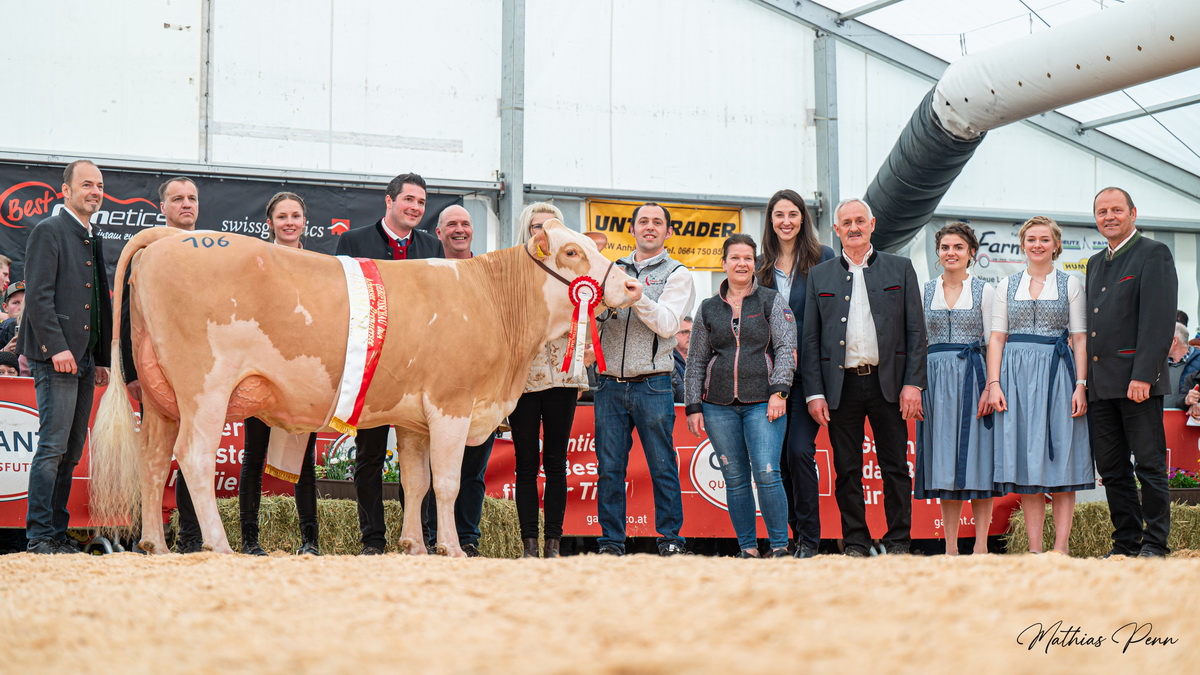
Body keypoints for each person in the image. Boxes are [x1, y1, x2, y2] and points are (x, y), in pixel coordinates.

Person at [802, 198, 926, 558]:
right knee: (847, 470)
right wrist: (814, 394)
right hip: (841, 388)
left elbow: (916, 331)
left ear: (872, 224)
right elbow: (810, 339)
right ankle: (855, 542)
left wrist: (913, 384)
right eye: (846, 222)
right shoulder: (819, 276)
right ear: (836, 230)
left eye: (860, 220)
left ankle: (899, 541)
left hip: (889, 384)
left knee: (895, 468)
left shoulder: (901, 269)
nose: (854, 227)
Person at [335, 172, 443, 555]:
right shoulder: (353, 241)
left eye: (421, 203)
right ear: (389, 201)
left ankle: (420, 535)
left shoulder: (433, 246)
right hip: (372, 368)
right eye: (408, 200)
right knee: (369, 455)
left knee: (419, 455)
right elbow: (343, 304)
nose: (415, 208)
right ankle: (373, 541)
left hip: (419, 373)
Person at [20, 160, 112, 554]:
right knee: (53, 447)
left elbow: (99, 302)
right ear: (66, 191)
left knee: (71, 451)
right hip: (56, 356)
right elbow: (38, 297)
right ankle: (40, 535)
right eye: (86, 184)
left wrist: (103, 356)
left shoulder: (92, 236)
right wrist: (56, 347)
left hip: (86, 359)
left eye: (100, 185)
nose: (94, 191)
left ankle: (57, 533)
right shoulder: (49, 230)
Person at [685, 234, 796, 558]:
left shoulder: (771, 301)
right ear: (723, 263)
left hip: (764, 402)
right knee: (734, 476)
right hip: (717, 406)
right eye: (735, 257)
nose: (742, 264)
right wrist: (694, 405)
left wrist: (780, 391)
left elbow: (787, 349)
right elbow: (695, 361)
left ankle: (779, 547)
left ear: (756, 264)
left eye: (748, 258)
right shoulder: (707, 308)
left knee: (766, 472)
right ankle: (747, 549)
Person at [987, 216, 1092, 555]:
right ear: (1023, 244)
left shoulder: (1070, 284)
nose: (1037, 244)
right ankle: (1034, 551)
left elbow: (1079, 338)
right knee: (1027, 465)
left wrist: (1080, 385)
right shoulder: (1006, 285)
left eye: (1044, 239)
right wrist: (994, 383)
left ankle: (1060, 549)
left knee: (1061, 461)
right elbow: (997, 339)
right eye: (1031, 239)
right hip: (1015, 380)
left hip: (1056, 377)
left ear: (1056, 245)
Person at [594, 202, 693, 556]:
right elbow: (594, 317)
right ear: (632, 229)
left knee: (662, 467)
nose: (649, 227)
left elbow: (668, 323)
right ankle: (610, 543)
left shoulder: (679, 273)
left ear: (668, 232)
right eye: (642, 222)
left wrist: (636, 298)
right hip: (607, 383)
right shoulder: (611, 269)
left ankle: (669, 540)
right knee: (609, 470)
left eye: (657, 222)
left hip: (653, 383)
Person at [1086, 187, 1177, 558]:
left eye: (1116, 210)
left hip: (1137, 383)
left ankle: (1155, 544)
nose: (1109, 216)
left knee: (1150, 466)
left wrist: (1144, 375)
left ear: (1133, 213)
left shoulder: (1154, 254)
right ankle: (1126, 543)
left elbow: (1158, 322)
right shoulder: (1093, 263)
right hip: (1100, 385)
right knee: (1112, 469)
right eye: (1102, 211)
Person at [120, 176, 207, 553]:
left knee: (199, 448)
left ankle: (191, 536)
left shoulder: (210, 250)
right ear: (163, 208)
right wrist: (132, 370)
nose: (186, 204)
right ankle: (149, 532)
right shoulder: (149, 249)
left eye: (191, 198)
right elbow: (129, 317)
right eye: (177, 199)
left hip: (201, 369)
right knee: (155, 449)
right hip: (158, 366)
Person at [237, 192, 321, 556]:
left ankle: (310, 542)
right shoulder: (256, 261)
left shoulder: (321, 266)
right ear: (269, 222)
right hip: (262, 370)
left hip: (304, 374)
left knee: (305, 456)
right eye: (282, 216)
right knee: (253, 454)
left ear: (305, 222)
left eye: (296, 216)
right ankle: (250, 541)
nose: (290, 222)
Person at [756, 188, 835, 559]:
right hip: (770, 379)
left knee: (800, 453)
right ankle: (791, 536)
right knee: (777, 460)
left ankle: (810, 539)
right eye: (778, 215)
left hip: (808, 377)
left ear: (803, 218)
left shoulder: (823, 259)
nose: (785, 221)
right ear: (770, 221)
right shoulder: (758, 266)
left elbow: (832, 319)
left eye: (792, 214)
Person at [508, 202, 589, 558]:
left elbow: (592, 310)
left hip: (563, 373)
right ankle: (529, 545)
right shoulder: (511, 272)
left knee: (556, 462)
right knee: (526, 462)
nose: (542, 233)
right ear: (527, 232)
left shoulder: (574, 271)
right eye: (535, 226)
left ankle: (553, 545)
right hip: (523, 377)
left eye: (549, 227)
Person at [914, 223, 997, 555]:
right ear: (938, 253)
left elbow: (993, 343)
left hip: (972, 377)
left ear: (971, 253)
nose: (951, 253)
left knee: (979, 460)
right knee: (943, 462)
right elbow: (918, 341)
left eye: (958, 247)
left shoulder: (984, 291)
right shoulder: (925, 290)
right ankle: (949, 548)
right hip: (934, 381)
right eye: (945, 247)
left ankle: (980, 547)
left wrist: (992, 386)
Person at [422, 203, 497, 558]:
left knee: (472, 469)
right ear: (439, 233)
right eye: (451, 224)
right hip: (428, 388)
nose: (459, 229)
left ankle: (466, 537)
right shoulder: (425, 273)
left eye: (465, 224)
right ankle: (425, 534)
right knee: (422, 463)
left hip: (477, 388)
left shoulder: (490, 274)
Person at [1164, 322, 1200, 409]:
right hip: (1161, 420)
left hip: (1191, 420)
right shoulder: (1159, 363)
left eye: (1162, 339)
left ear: (1174, 341)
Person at [670, 316, 691, 403]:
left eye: (694, 332)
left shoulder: (703, 360)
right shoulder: (669, 361)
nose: (691, 336)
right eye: (685, 332)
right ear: (673, 335)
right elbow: (680, 395)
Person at [0, 280, 26, 349]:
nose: (21, 307)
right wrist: (4, 351)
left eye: (25, 303)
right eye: (16, 303)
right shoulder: (5, 328)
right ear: (5, 307)